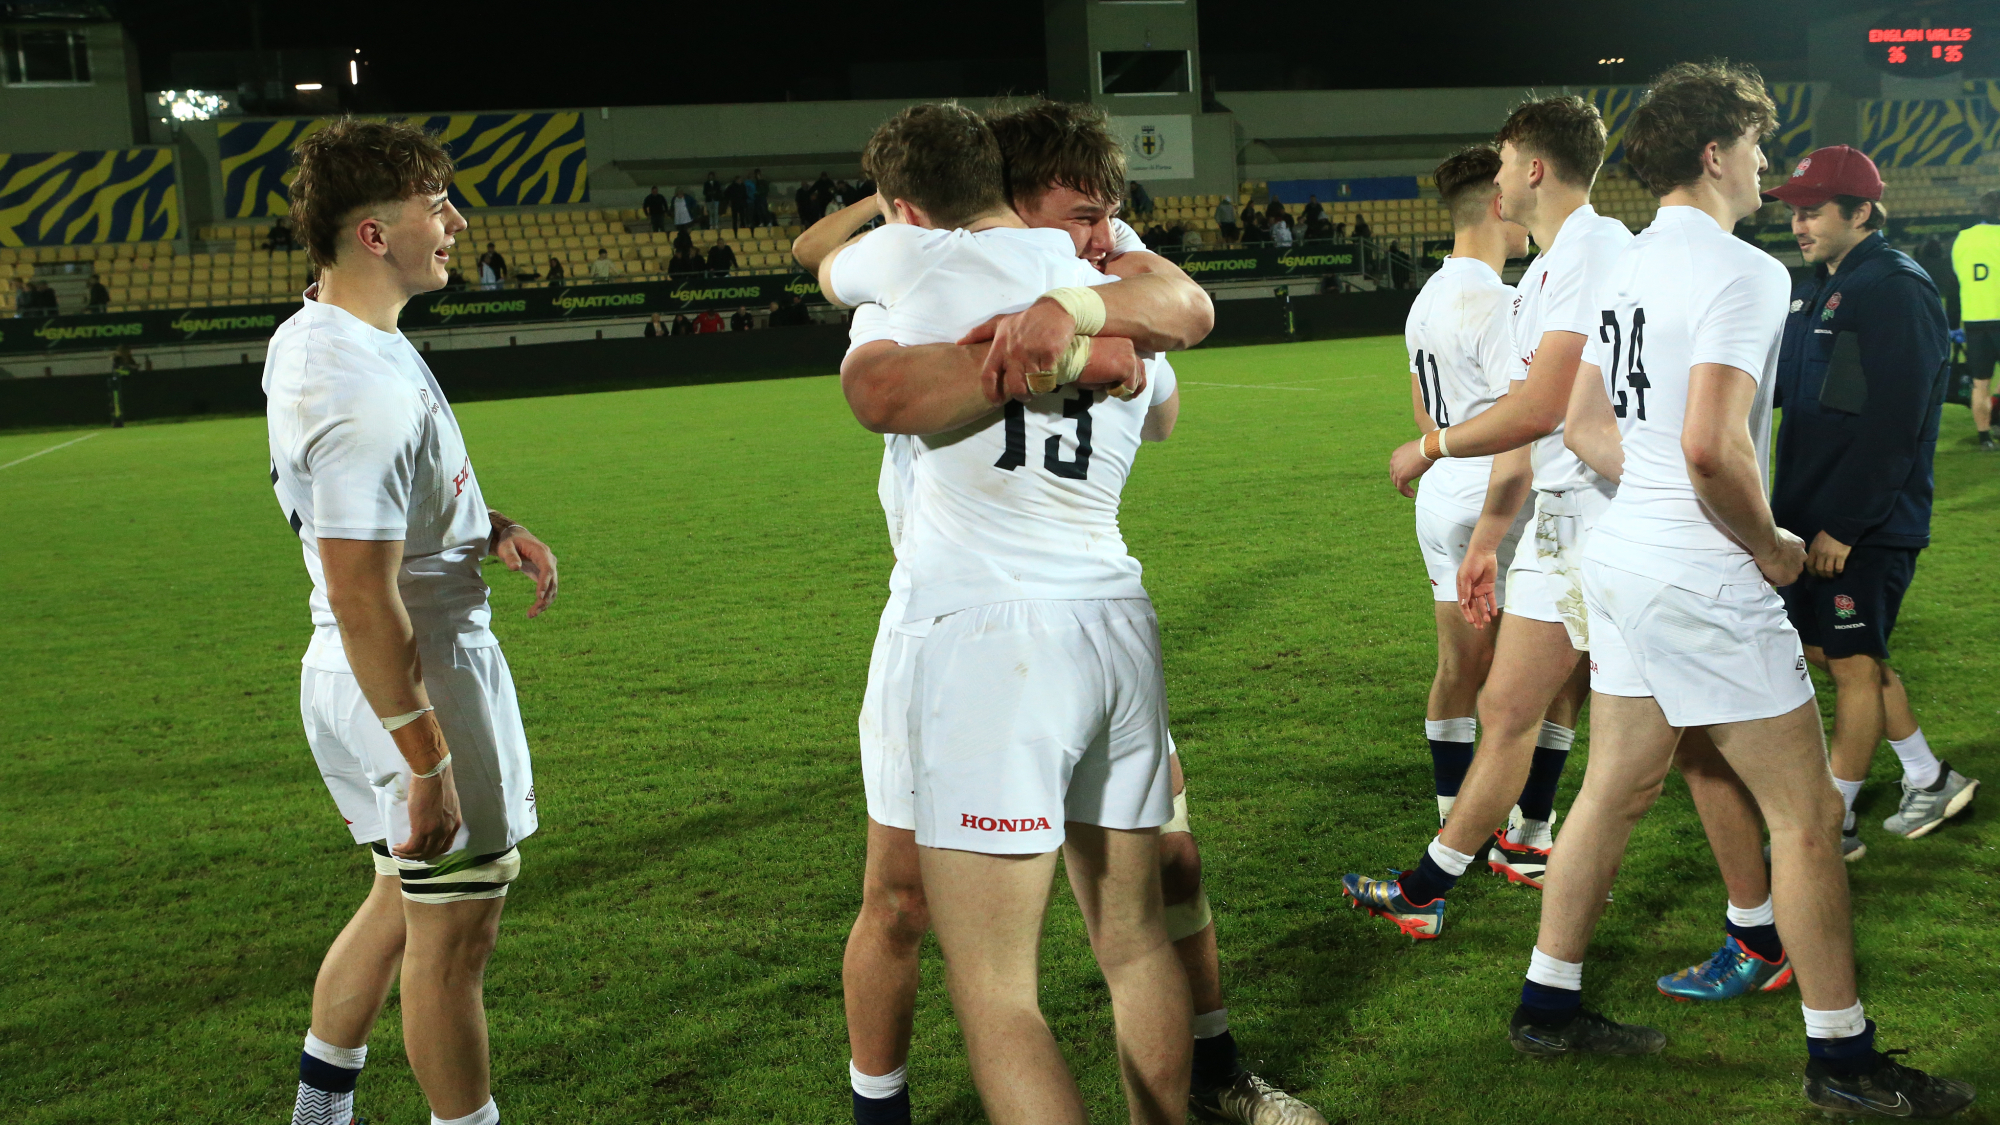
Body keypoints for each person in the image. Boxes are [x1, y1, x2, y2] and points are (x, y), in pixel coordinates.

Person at [796, 98, 1316, 1125]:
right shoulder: (1099, 293)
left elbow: (865, 361)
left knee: (998, 988)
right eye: (1084, 214)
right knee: (1086, 929)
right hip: (1101, 624)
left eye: (1110, 219)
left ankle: (1211, 1077)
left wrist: (1064, 319)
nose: (1104, 235)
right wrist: (1085, 338)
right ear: (1007, 194)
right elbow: (1163, 364)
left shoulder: (951, 277)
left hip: (977, 637)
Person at [1528, 61, 1974, 1119]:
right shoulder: (1742, 272)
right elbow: (1708, 446)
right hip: (1699, 573)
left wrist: (1659, 507)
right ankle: (1841, 1060)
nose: (1766, 166)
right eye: (1757, 146)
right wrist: (1771, 546)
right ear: (1714, 152)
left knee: (1611, 788)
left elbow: (1586, 425)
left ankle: (1544, 1006)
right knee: (1808, 816)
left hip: (1624, 560)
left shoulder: (1626, 264)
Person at [264, 118, 561, 1125]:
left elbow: (383, 520)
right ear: (374, 236)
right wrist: (426, 758)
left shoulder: (324, 332)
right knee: (453, 945)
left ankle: (318, 1111)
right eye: (437, 206)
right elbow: (361, 590)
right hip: (412, 675)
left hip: (365, 666)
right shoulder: (353, 388)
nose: (458, 223)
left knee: (399, 900)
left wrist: (485, 525)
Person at [1353, 95, 1628, 938]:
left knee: (1639, 734)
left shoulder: (1590, 250)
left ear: (1532, 169)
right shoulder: (1528, 281)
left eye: (1507, 159)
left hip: (1576, 508)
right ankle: (1489, 859)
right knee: (1532, 702)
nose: (1503, 176)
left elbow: (1540, 408)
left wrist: (1434, 452)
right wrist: (1480, 527)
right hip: (1530, 507)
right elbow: (1533, 409)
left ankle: (1757, 916)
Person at [1764, 151, 1972, 845]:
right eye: (1794, 209)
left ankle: (1833, 820)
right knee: (1833, 653)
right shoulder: (1817, 286)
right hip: (1808, 517)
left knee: (1852, 663)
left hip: (1864, 523)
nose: (1798, 223)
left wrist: (1846, 525)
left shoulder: (1897, 289)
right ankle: (1928, 776)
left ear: (1861, 212)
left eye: (1813, 210)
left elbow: (1896, 423)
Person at [1394, 144, 1536, 834]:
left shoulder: (1427, 297)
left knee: (1457, 666)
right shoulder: (1502, 304)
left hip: (1443, 494)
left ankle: (1453, 811)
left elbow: (1426, 414)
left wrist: (1432, 452)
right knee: (1530, 680)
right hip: (1498, 504)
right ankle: (1522, 827)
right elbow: (1519, 429)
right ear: (1499, 203)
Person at [1951, 188, 2000, 449]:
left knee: (1980, 384)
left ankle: (1984, 438)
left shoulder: (1963, 238)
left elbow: (1957, 277)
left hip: (1974, 319)